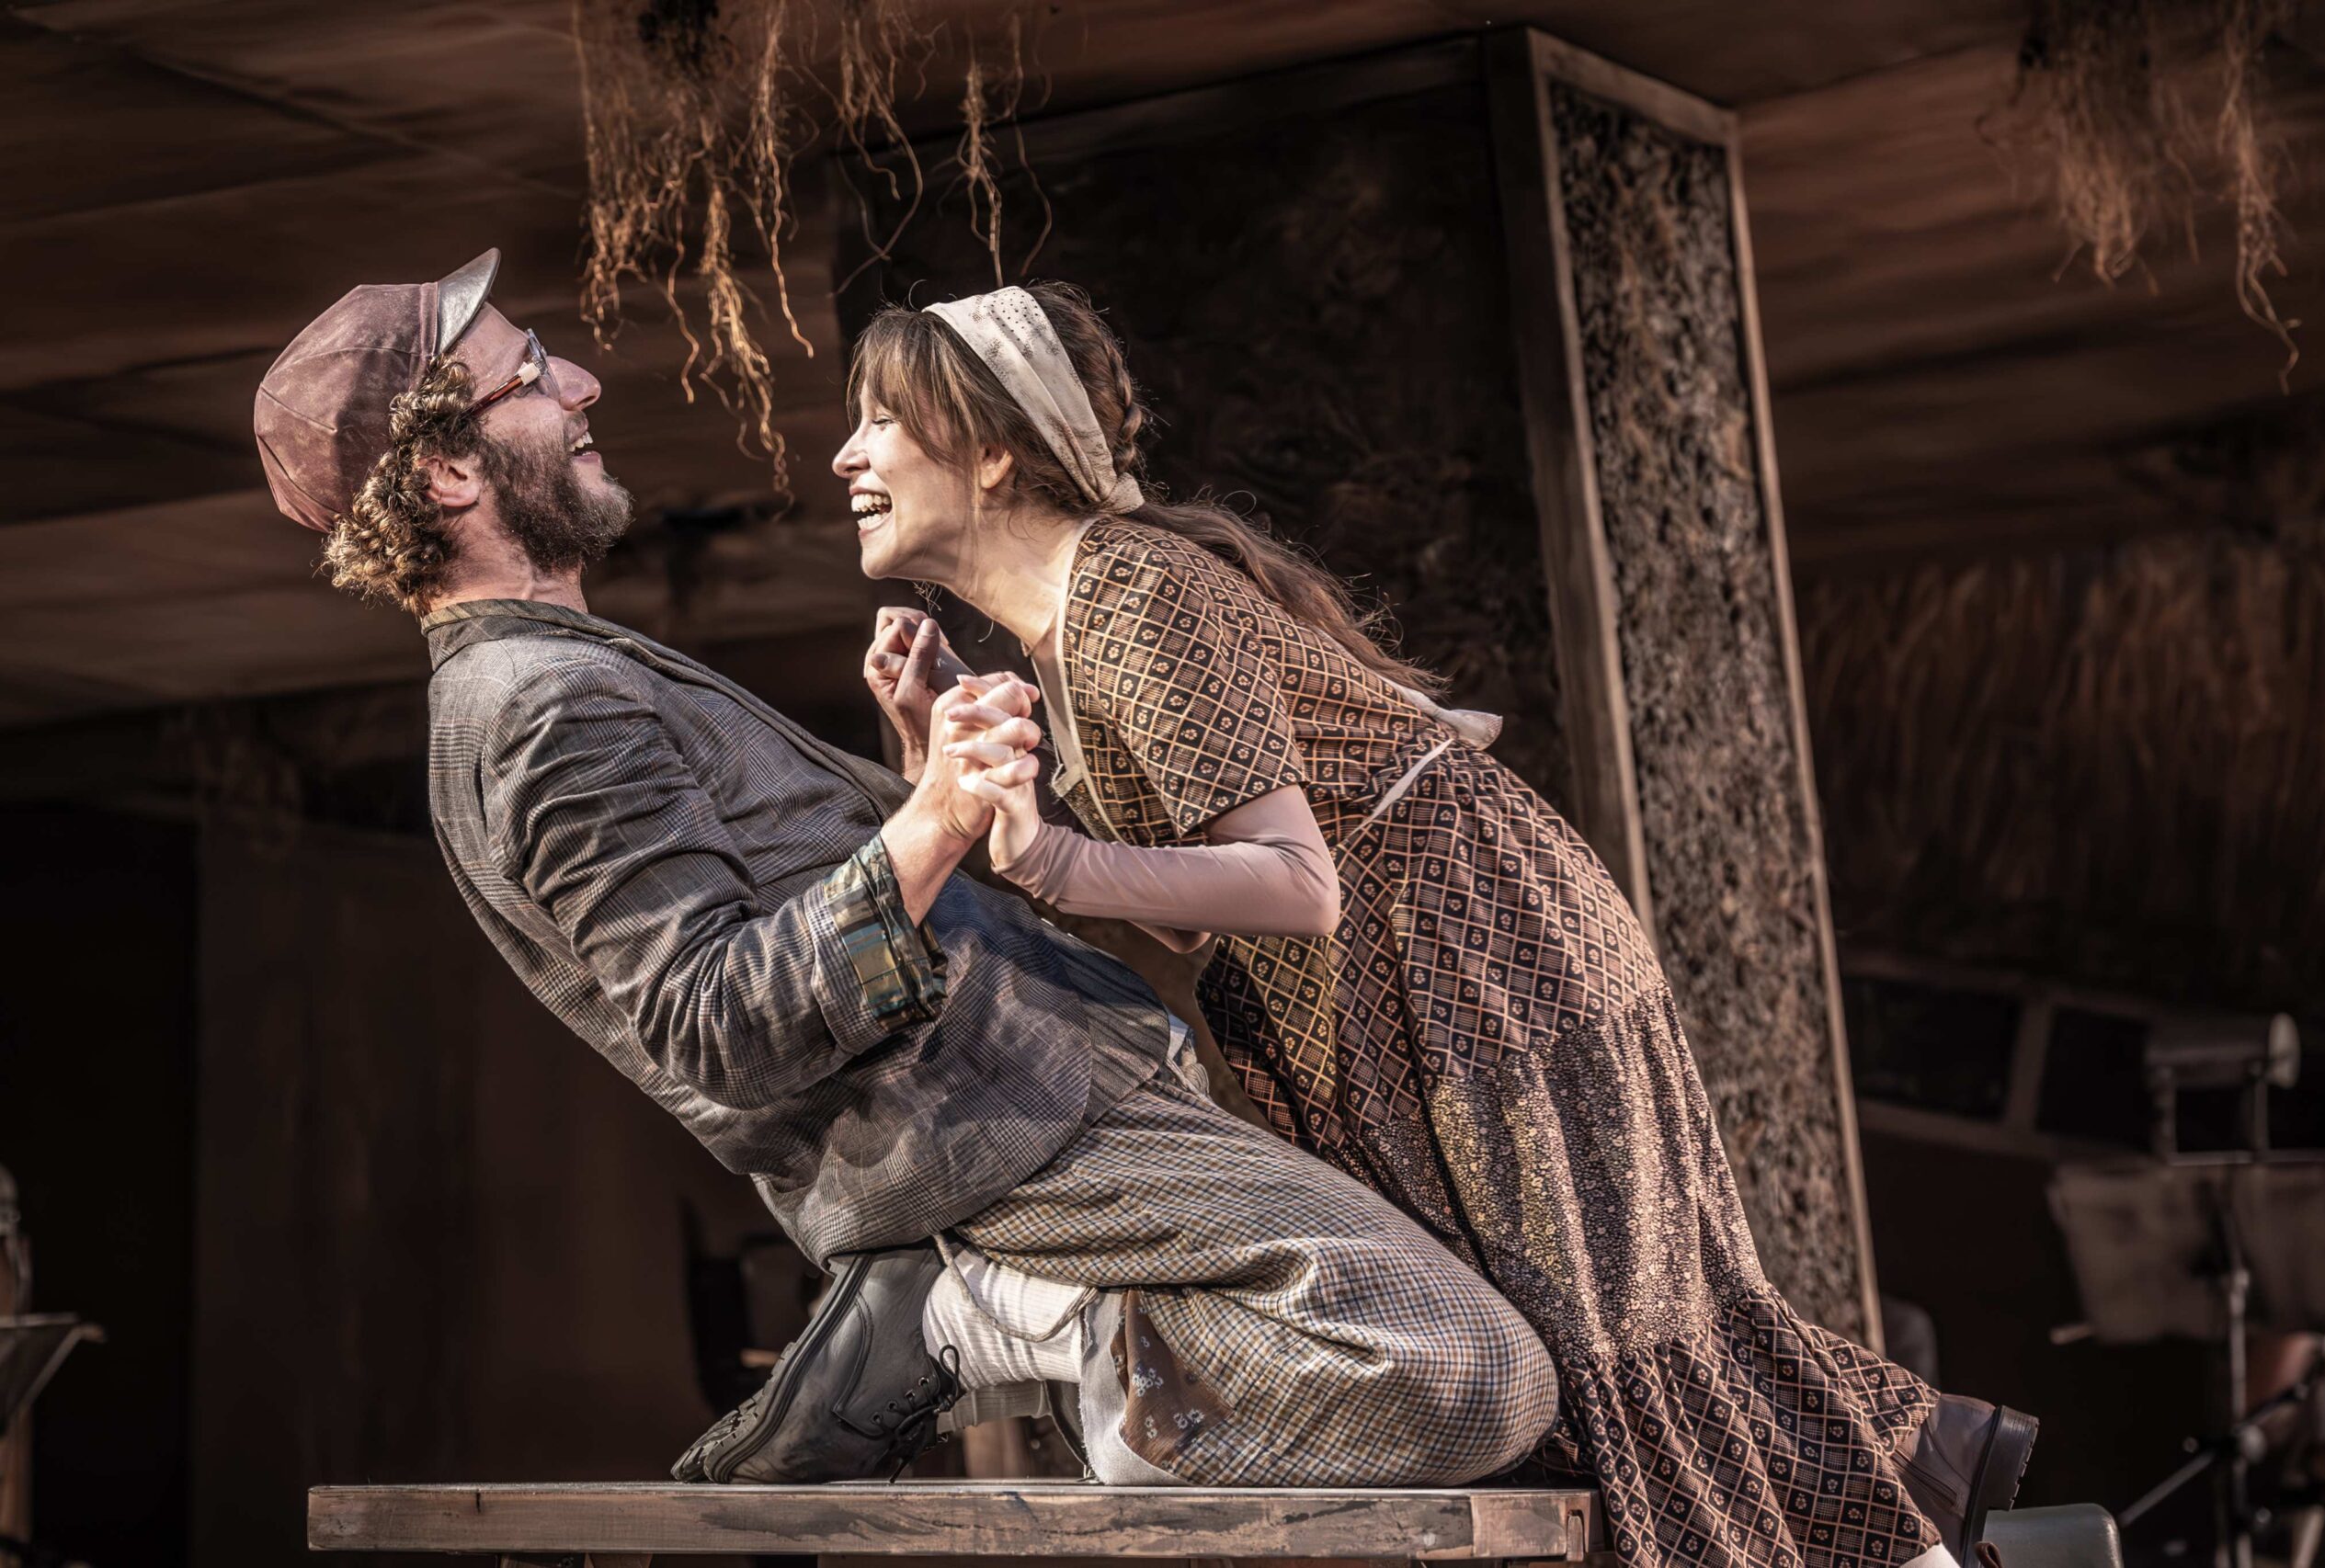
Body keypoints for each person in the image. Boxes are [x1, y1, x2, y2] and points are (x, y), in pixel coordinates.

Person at [251, 249, 1559, 1490]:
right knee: (1467, 1372)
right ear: (444, 476)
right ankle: (972, 1315)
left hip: (1041, 1099)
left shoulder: (567, 673)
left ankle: (1009, 1326)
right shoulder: (540, 709)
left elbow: (799, 909)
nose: (581, 382)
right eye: (531, 373)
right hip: (1001, 1143)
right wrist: (928, 819)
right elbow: (721, 1021)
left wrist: (916, 768)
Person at [839, 282, 2039, 1566]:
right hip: (1424, 983)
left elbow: (1295, 883)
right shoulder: (1078, 630)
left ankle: (1923, 1511)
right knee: (1612, 1367)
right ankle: (1926, 1502)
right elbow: (1189, 920)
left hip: (1478, 964)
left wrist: (1058, 854)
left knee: (1612, 1355)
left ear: (994, 448)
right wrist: (953, 768)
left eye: (879, 422)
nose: (849, 456)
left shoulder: (1129, 594)